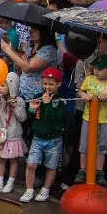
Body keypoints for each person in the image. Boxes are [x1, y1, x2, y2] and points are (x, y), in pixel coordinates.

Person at [76, 54, 107, 186]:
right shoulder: (89, 79)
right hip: (88, 118)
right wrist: (83, 94)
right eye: (95, 68)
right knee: (84, 146)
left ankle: (99, 171)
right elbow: (80, 91)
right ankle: (82, 169)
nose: (96, 71)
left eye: (100, 69)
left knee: (101, 148)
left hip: (104, 120)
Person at [22, 68, 66, 203]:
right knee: (30, 164)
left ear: (59, 84)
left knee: (51, 166)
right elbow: (29, 117)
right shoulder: (38, 96)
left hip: (54, 139)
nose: (47, 87)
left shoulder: (61, 101)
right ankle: (29, 190)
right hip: (38, 138)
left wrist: (47, 105)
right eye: (45, 83)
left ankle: (45, 189)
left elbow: (56, 119)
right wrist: (31, 109)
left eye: (51, 84)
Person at [0, 72, 27, 195]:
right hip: (0, 135)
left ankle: (10, 183)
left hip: (13, 136)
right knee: (0, 160)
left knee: (14, 160)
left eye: (3, 85)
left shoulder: (19, 101)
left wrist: (15, 106)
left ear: (11, 86)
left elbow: (23, 118)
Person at [0, 26, 60, 101]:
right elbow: (22, 68)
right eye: (30, 29)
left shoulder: (49, 50)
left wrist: (8, 51)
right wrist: (13, 50)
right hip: (21, 93)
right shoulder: (29, 49)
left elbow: (28, 68)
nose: (31, 32)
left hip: (36, 96)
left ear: (44, 32)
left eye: (35, 30)